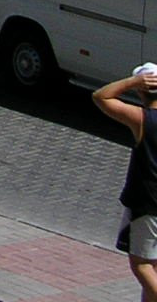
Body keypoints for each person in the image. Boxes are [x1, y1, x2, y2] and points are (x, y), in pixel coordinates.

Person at [93, 63, 157, 300]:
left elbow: (100, 96)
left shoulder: (143, 119)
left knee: (140, 264)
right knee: (153, 266)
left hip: (148, 203)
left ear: (141, 91)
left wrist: (132, 83)